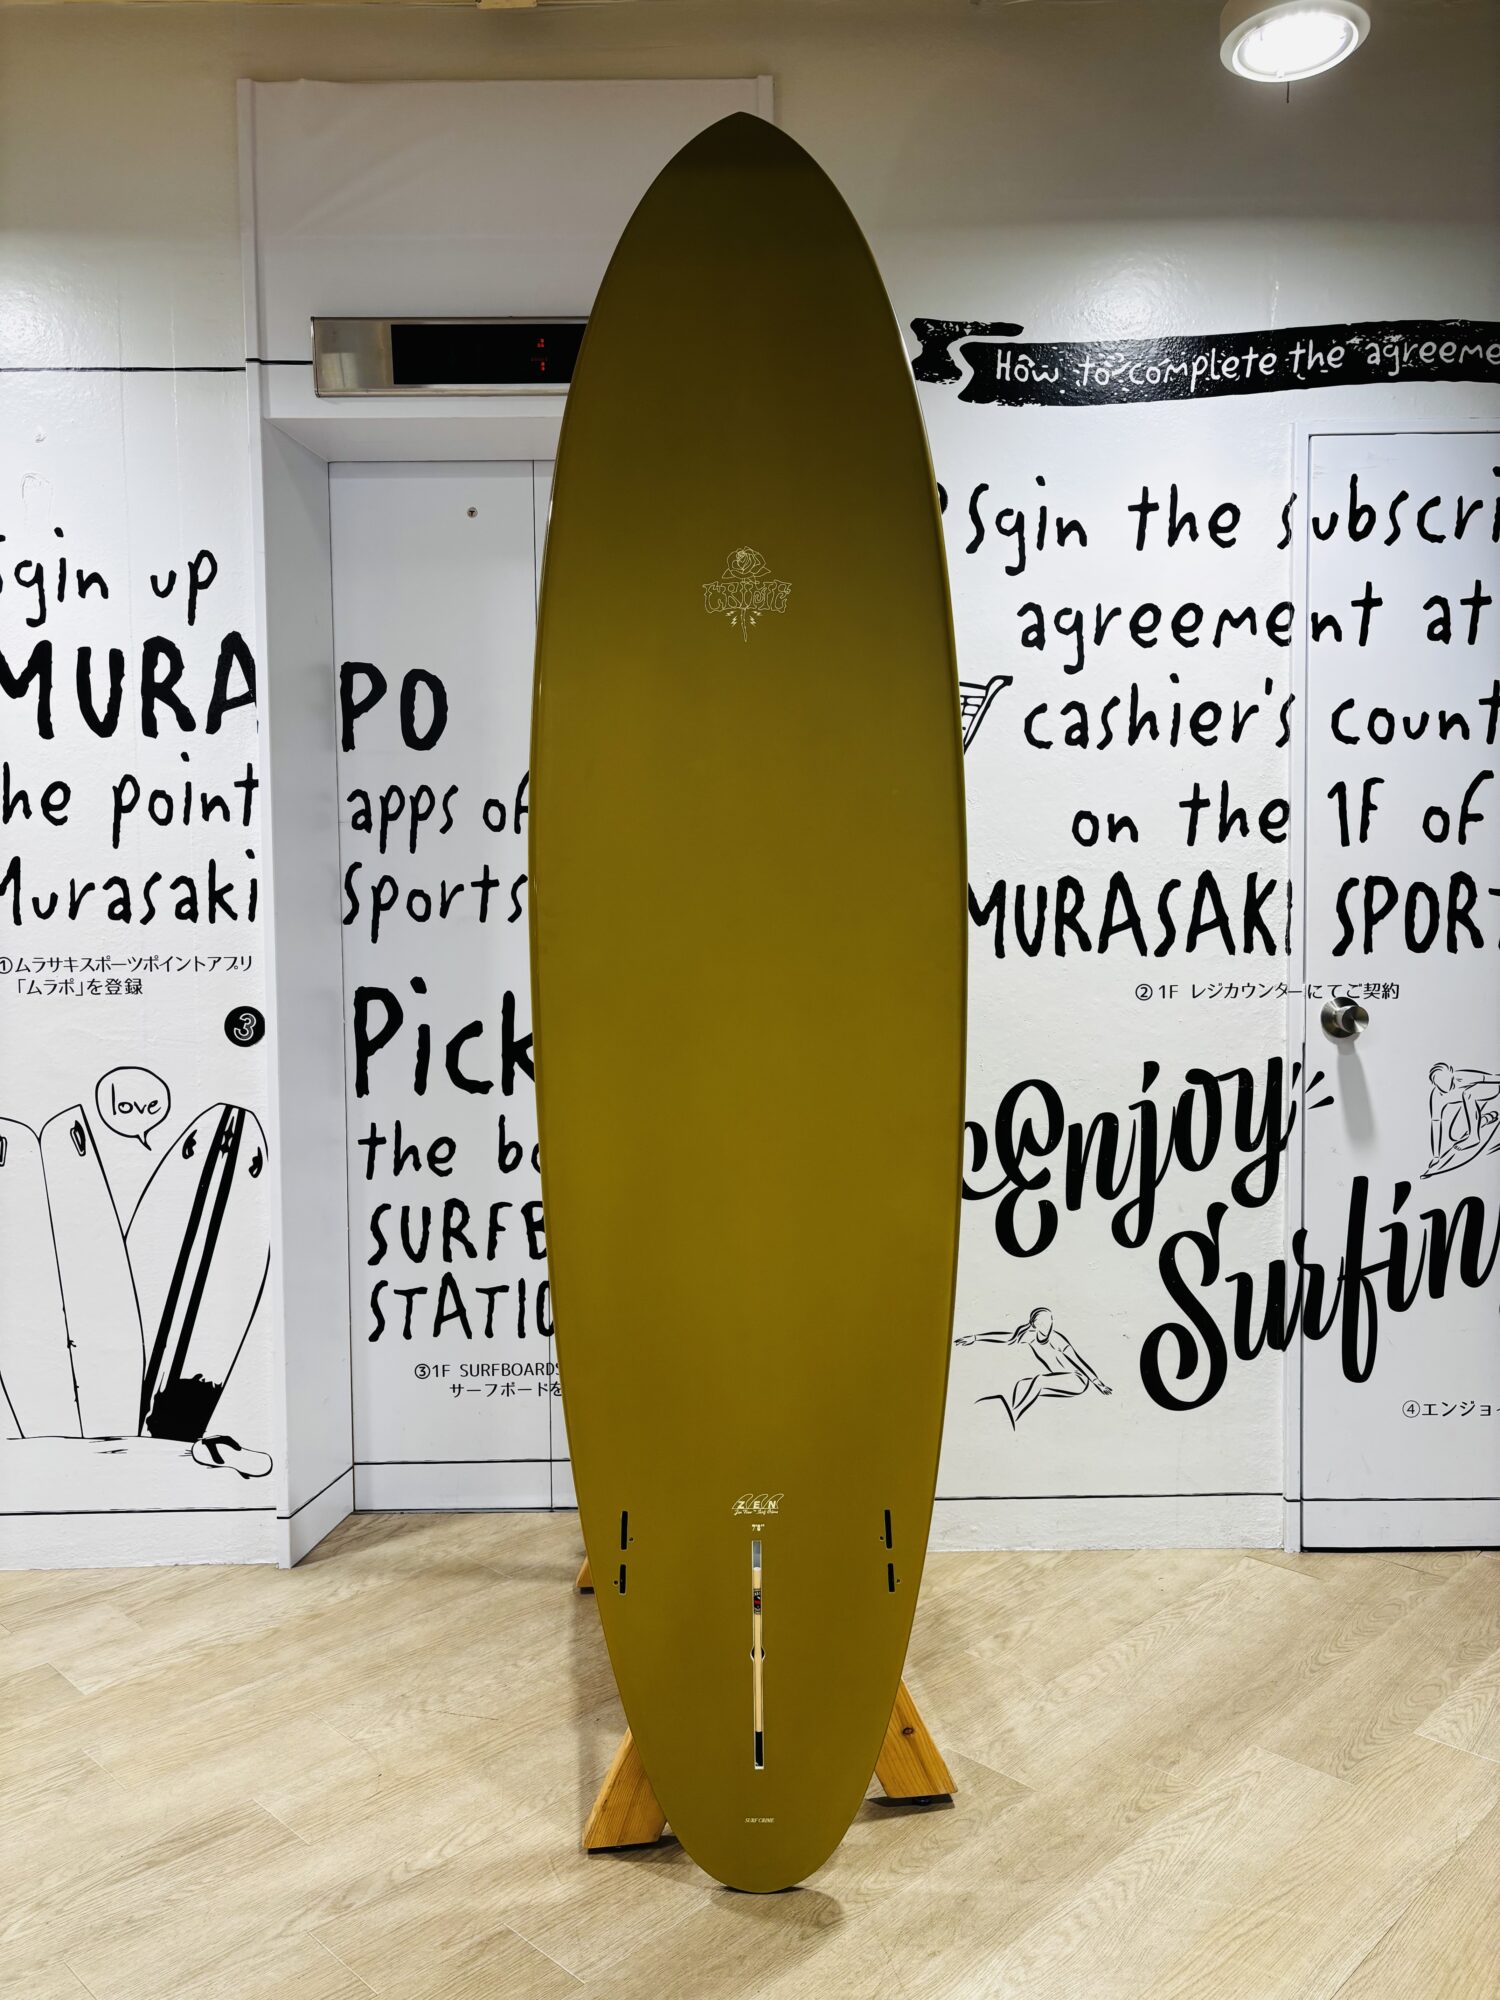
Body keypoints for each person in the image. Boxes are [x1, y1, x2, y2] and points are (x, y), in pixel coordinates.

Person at [954, 1306, 1111, 1426]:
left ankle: (1013, 1416)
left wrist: (1099, 1384)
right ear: (1035, 1325)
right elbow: (1006, 1338)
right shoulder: (1029, 1336)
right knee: (1022, 1385)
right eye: (1044, 1323)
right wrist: (975, 1338)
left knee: (1039, 1381)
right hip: (1058, 1380)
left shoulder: (1057, 1340)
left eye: (1050, 1321)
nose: (1048, 1326)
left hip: (1077, 1380)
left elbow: (1079, 1362)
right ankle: (1011, 1418)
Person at [1425, 1061, 1500, 1176]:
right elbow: (1436, 1124)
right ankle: (1486, 1119)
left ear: (1451, 1074)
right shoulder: (1436, 1097)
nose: (1447, 1087)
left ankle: (1474, 1136)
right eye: (1441, 1084)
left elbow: (1489, 1078)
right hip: (1471, 1101)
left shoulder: (1461, 1077)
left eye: (1448, 1081)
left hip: (1491, 1088)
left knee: (1468, 1094)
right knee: (1456, 1135)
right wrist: (1436, 1156)